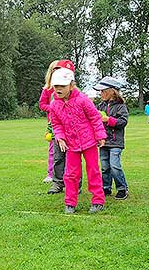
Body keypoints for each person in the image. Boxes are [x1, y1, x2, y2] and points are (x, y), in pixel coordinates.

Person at [49, 67, 107, 214]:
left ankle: (98, 200)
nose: (59, 89)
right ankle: (70, 203)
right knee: (70, 174)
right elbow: (56, 124)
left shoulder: (83, 100)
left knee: (93, 170)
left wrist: (100, 135)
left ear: (71, 85)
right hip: (71, 144)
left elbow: (95, 117)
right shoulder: (54, 105)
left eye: (62, 86)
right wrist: (60, 137)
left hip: (89, 142)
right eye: (56, 86)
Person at [39, 59, 77, 194]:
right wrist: (53, 110)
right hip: (56, 128)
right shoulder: (51, 91)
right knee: (58, 156)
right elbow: (43, 105)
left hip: (73, 130)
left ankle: (75, 184)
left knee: (74, 157)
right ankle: (57, 183)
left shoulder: (77, 95)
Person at [94, 76, 129, 200]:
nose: (100, 93)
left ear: (111, 91)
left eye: (103, 91)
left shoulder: (121, 106)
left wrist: (109, 120)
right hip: (103, 141)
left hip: (115, 142)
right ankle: (106, 187)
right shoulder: (100, 106)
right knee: (105, 167)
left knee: (114, 165)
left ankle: (122, 188)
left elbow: (123, 121)